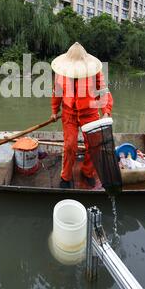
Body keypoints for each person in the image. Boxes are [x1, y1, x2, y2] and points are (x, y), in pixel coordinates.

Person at [51, 42, 113, 189]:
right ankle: (65, 176)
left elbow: (103, 91)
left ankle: (87, 172)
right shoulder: (62, 72)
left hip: (90, 112)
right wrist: (54, 111)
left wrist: (106, 111)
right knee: (70, 145)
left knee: (94, 145)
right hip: (69, 113)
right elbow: (57, 92)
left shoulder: (95, 71)